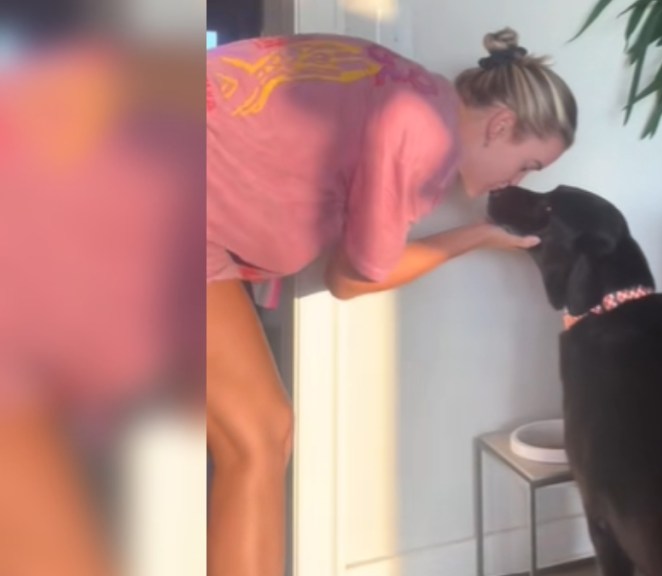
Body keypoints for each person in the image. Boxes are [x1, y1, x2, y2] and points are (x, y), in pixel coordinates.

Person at [206, 28, 577, 575]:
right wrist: (478, 236)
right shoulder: (424, 134)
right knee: (258, 439)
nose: (515, 181)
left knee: (259, 434)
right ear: (501, 125)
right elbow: (351, 280)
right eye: (528, 165)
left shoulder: (410, 85)